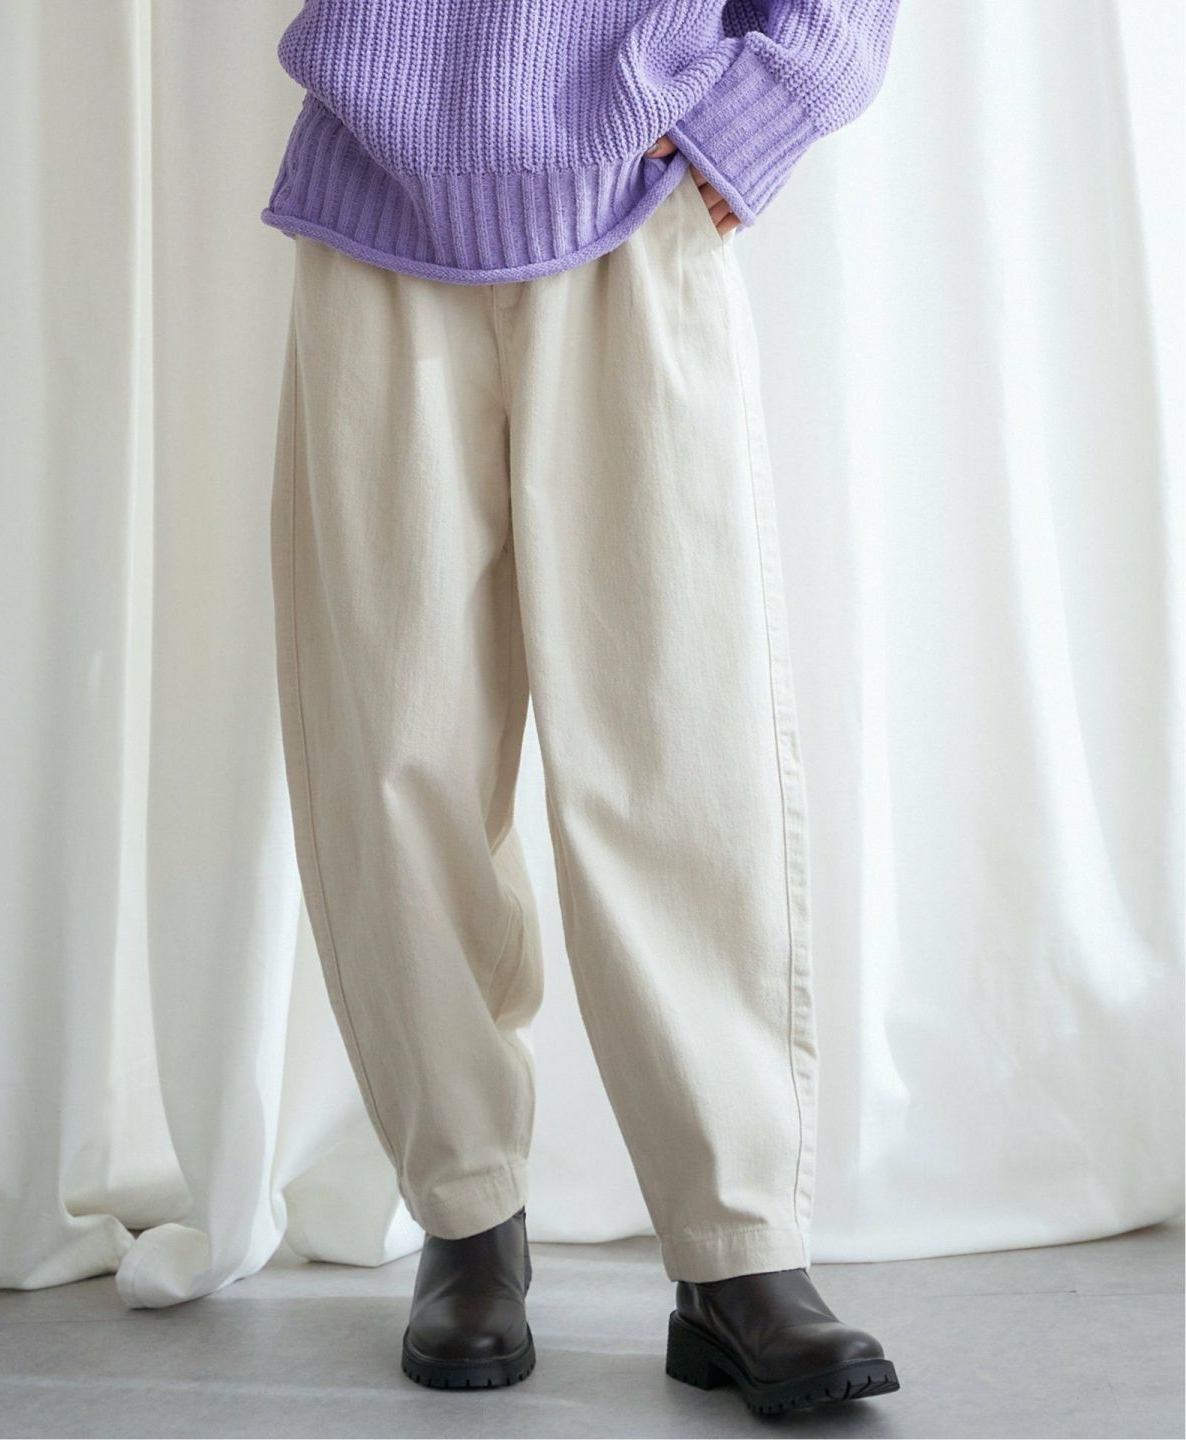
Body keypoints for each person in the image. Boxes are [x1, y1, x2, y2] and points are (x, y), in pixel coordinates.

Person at [263, 0, 902, 1417]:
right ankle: (467, 1215)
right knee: (396, 753)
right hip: (371, 186)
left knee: (677, 746)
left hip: (637, 192)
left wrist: (759, 111)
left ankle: (738, 1248)